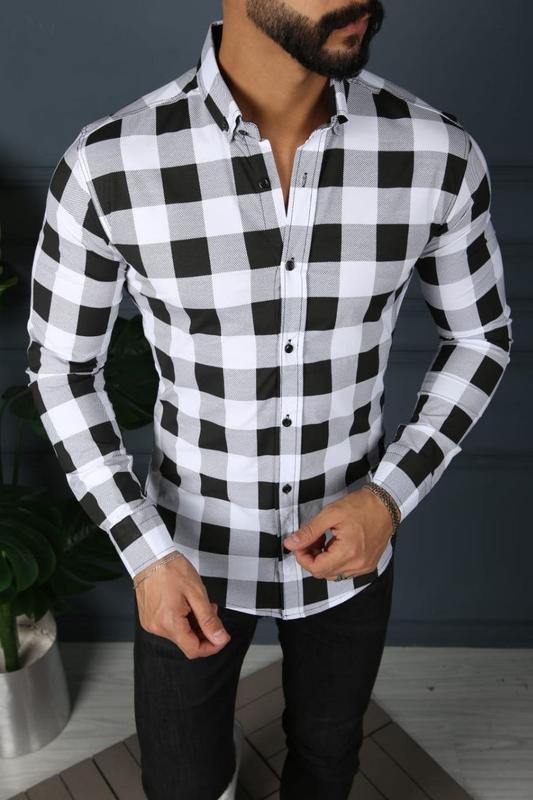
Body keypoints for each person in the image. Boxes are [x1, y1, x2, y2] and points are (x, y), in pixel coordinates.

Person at [25, 1, 513, 798]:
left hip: (354, 543)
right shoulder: (109, 165)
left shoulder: (436, 153)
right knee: (182, 781)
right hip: (183, 555)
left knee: (327, 758)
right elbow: (61, 372)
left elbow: (480, 338)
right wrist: (144, 554)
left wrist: (388, 498)